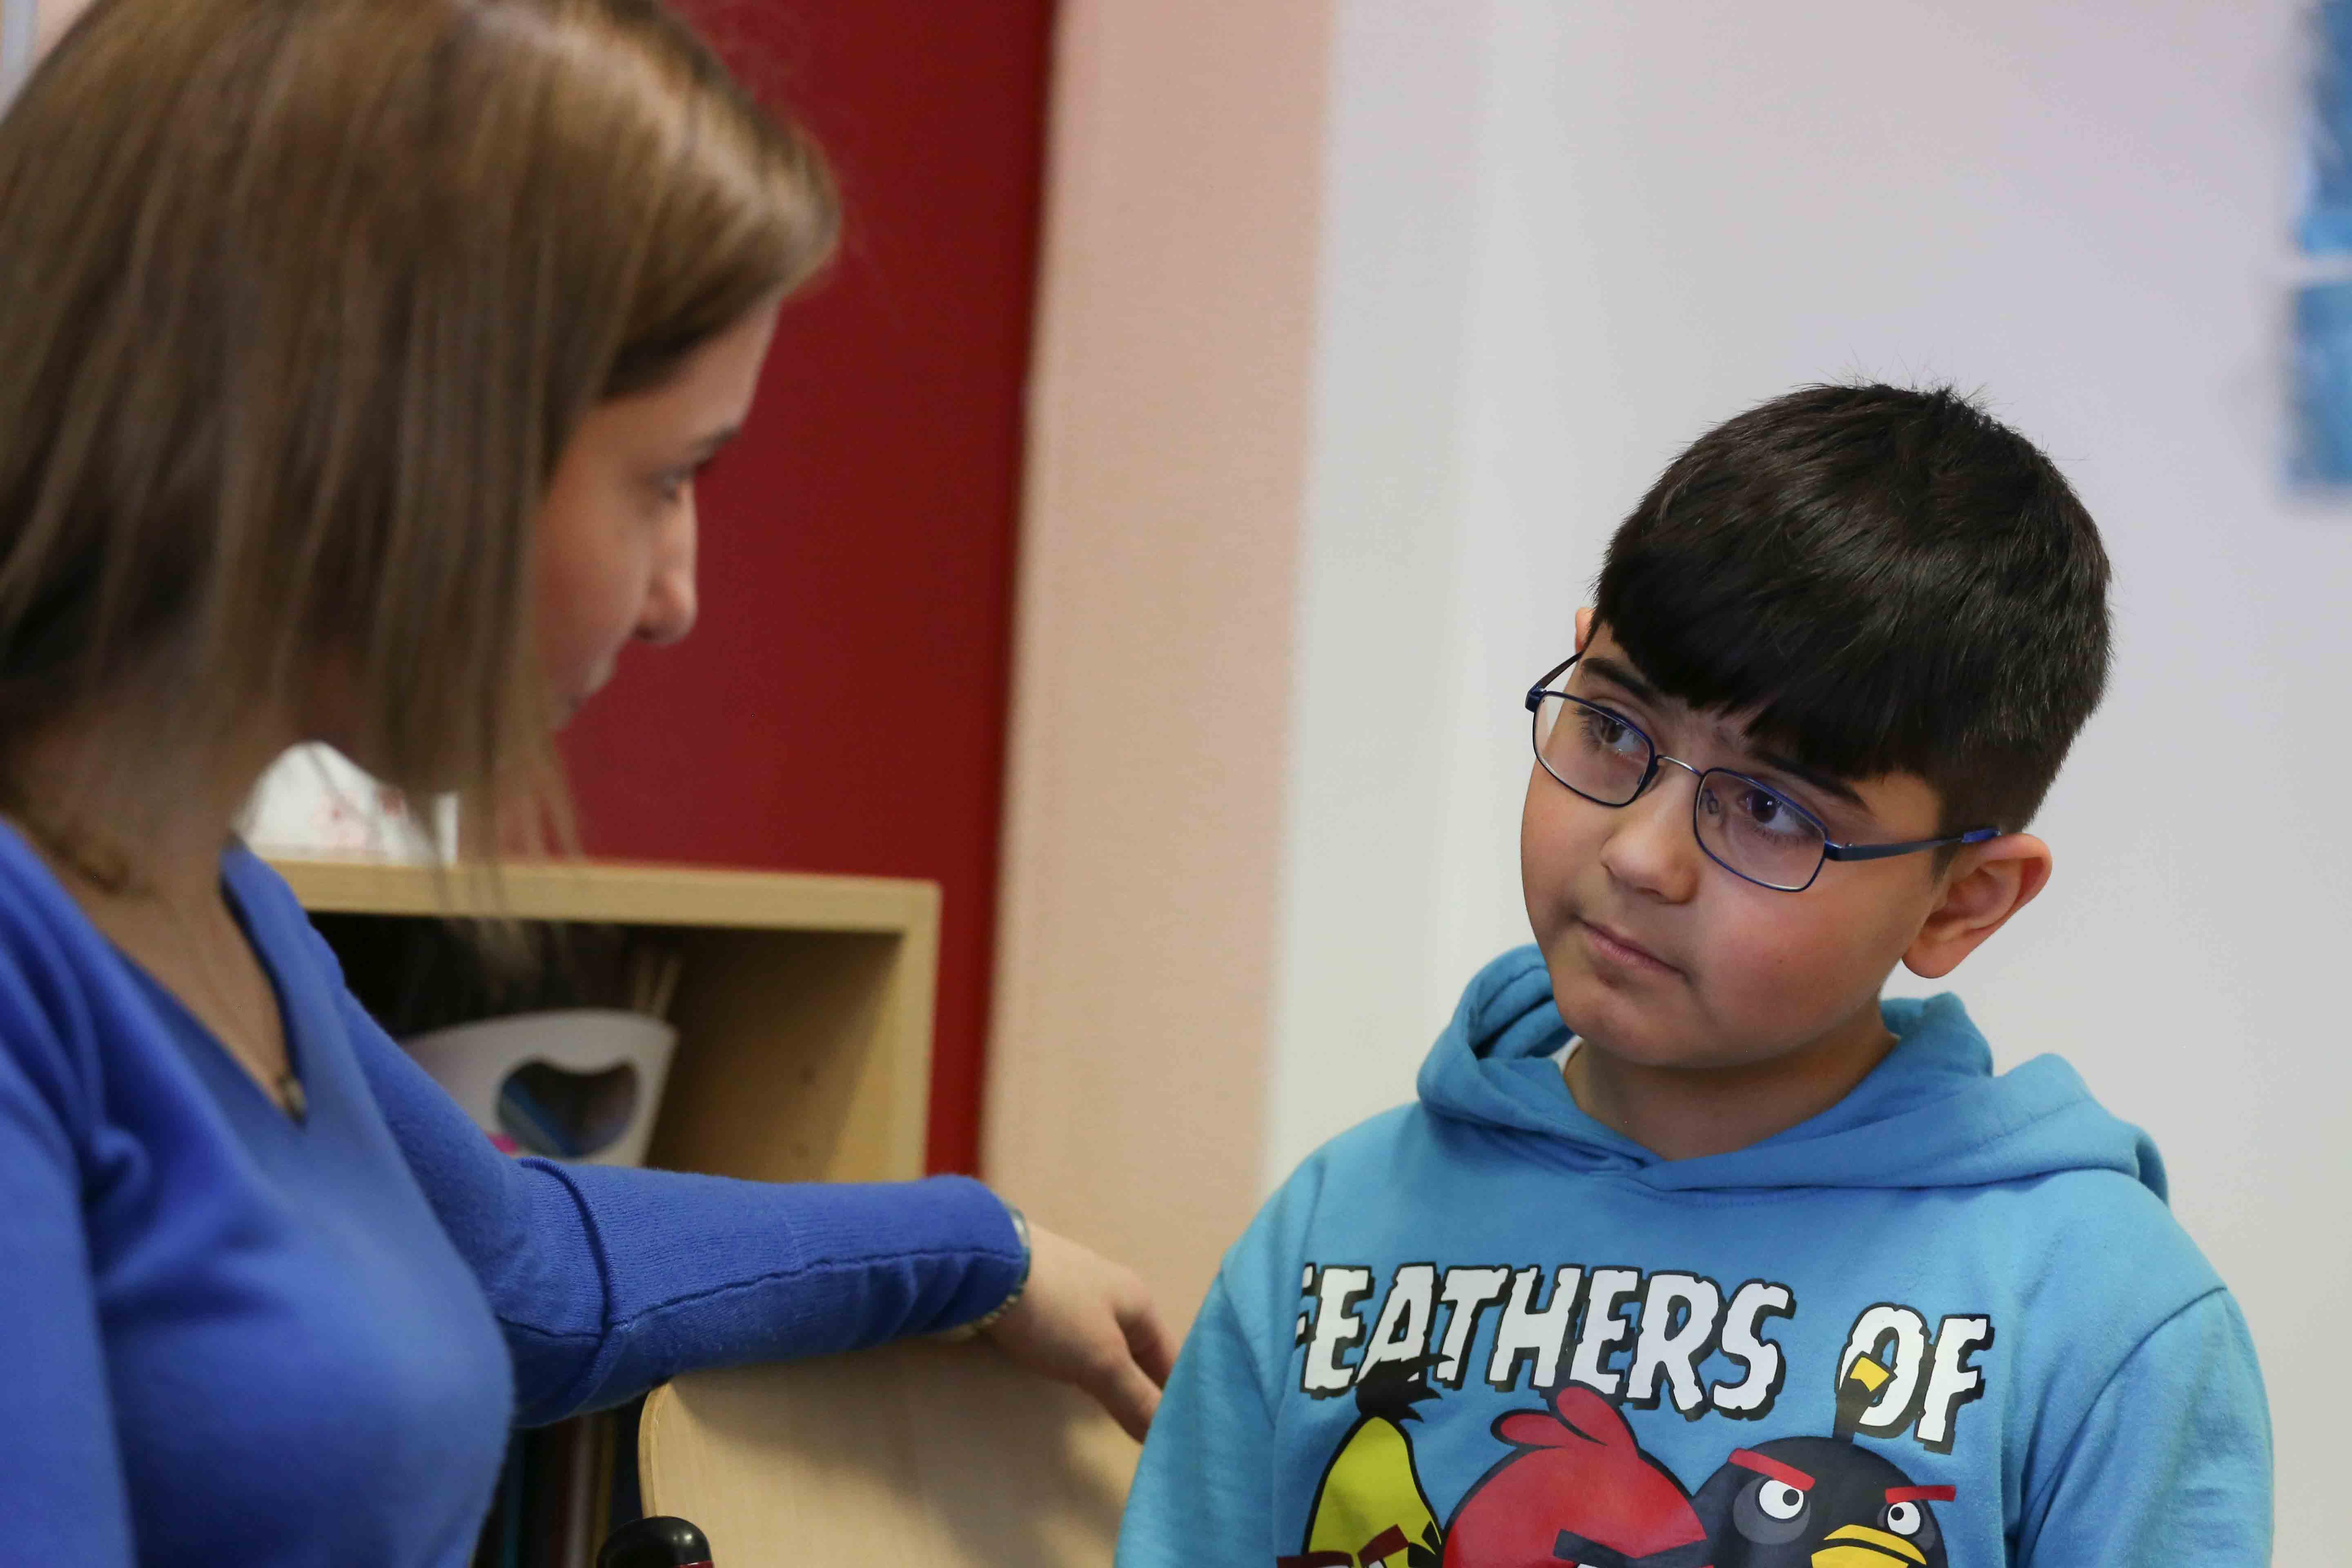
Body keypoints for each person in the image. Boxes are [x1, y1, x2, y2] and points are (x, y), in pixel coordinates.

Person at [0, 1, 1171, 1561]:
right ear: (397, 429)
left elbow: (524, 1275)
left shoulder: (212, 903)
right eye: (667, 477)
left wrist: (984, 1249)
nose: (677, 591)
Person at [1116, 385, 2272, 1567]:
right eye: (1613, 732)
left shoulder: (2097, 1313)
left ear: (1962, 900)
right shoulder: (1337, 1223)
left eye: (1770, 810)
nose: (1640, 855)